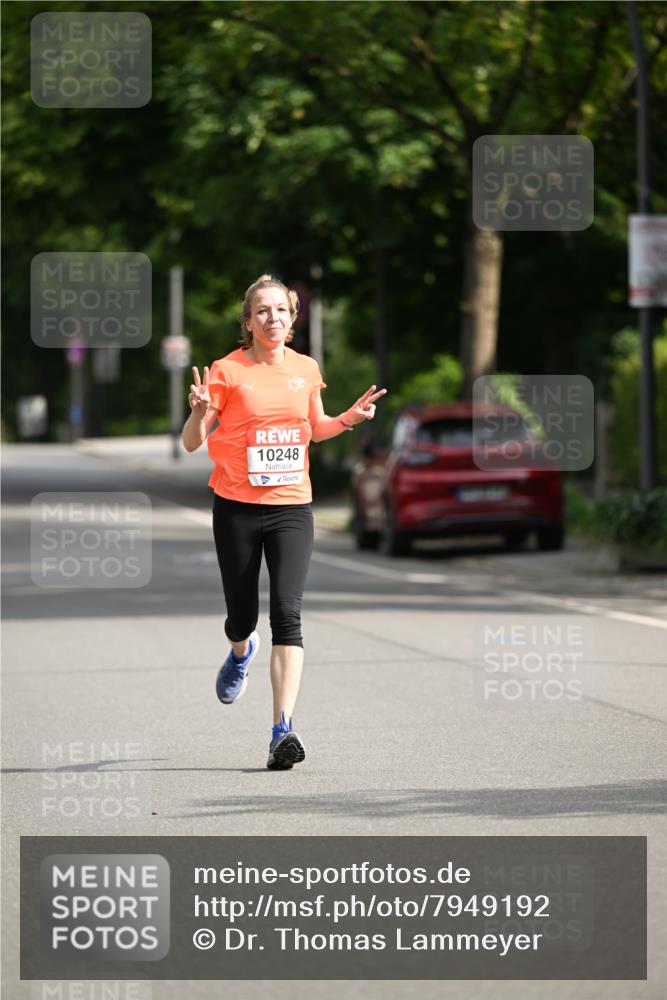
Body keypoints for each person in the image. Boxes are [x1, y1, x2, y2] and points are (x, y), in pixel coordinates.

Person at [182, 274, 386, 770]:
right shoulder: (226, 371)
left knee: (287, 615)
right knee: (241, 618)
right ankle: (239, 651)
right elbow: (192, 443)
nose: (273, 318)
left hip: (292, 506)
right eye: (262, 311)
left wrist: (347, 419)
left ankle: (281, 731)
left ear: (293, 320)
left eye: (281, 311)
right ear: (248, 322)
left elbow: (314, 429)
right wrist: (198, 413)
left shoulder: (306, 368)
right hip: (236, 506)